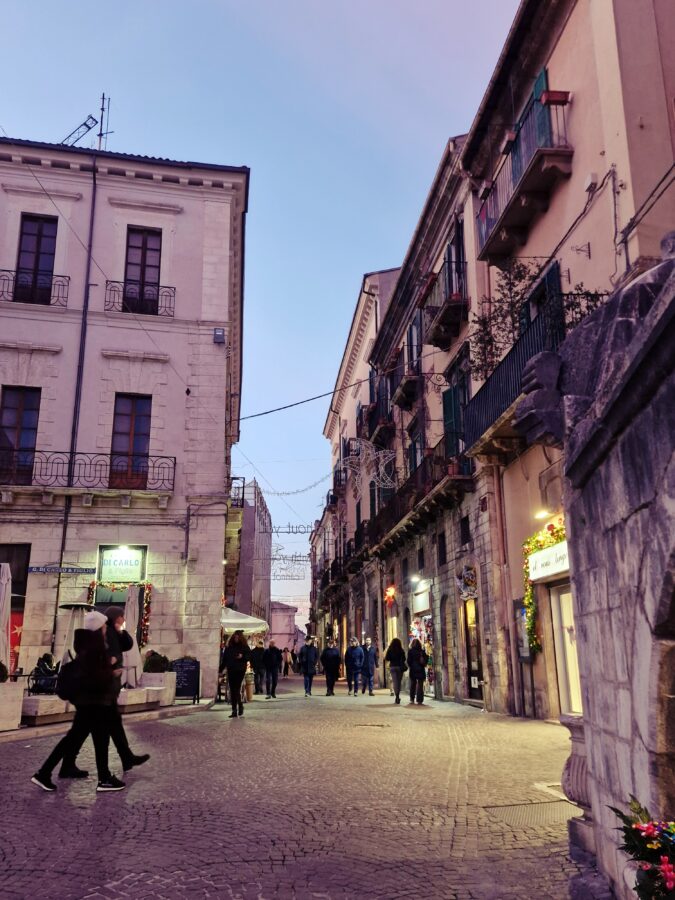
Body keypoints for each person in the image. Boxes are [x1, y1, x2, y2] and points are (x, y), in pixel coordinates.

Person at [31, 610, 125, 793]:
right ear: (99, 628)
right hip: (93, 701)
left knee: (86, 739)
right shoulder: (94, 647)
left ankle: (45, 773)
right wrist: (111, 671)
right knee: (88, 739)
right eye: (104, 626)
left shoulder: (87, 644)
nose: (106, 629)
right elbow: (93, 676)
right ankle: (103, 779)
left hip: (88, 701)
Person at [60, 605, 150, 777]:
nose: (123, 619)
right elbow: (99, 657)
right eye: (122, 617)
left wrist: (121, 632)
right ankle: (101, 773)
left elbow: (127, 645)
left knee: (106, 726)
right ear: (115, 617)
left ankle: (123, 759)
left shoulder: (112, 631)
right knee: (88, 732)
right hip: (98, 690)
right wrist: (110, 665)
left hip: (103, 689)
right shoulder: (102, 632)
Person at [220, 630, 251, 718]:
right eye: (235, 637)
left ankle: (237, 708)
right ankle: (236, 708)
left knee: (235, 689)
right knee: (233, 690)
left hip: (240, 670)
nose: (236, 638)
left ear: (240, 638)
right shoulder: (229, 647)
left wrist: (242, 657)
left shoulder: (244, 647)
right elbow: (225, 659)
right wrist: (220, 669)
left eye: (238, 637)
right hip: (231, 669)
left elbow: (249, 656)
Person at [384, 637, 406, 704]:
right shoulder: (401, 649)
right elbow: (404, 659)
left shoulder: (390, 649)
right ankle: (397, 695)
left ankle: (397, 696)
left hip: (392, 667)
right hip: (399, 667)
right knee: (398, 682)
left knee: (395, 681)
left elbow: (387, 658)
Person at [407, 638, 428, 705]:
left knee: (413, 684)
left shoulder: (410, 651)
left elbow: (408, 661)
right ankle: (419, 700)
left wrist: (411, 666)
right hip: (420, 669)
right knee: (420, 685)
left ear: (412, 644)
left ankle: (412, 699)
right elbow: (425, 661)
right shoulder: (422, 651)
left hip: (413, 669)